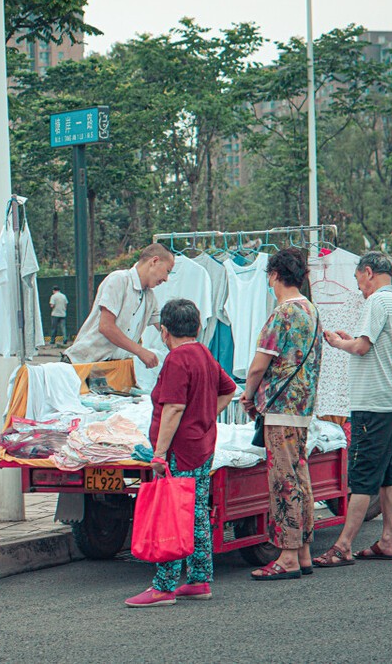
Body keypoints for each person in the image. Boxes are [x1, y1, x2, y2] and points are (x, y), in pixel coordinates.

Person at [126, 299, 236, 607]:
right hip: (202, 445)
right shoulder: (203, 353)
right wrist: (204, 417)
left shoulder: (177, 359)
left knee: (173, 512)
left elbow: (173, 407)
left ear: (164, 331)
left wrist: (159, 453)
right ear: (198, 327)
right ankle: (199, 580)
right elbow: (228, 390)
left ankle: (164, 586)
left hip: (180, 450)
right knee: (196, 512)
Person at [315, 251, 392, 567]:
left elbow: (361, 347)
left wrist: (338, 343)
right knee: (389, 475)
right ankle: (389, 539)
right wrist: (350, 339)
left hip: (372, 403)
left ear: (368, 272)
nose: (359, 287)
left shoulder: (377, 303)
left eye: (359, 279)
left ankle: (343, 545)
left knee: (363, 476)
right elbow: (369, 344)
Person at [240, 248, 322, 580]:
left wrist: (248, 396)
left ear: (275, 275)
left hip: (280, 407)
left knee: (282, 481)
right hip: (303, 407)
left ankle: (287, 555)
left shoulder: (283, 313)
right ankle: (302, 550)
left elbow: (260, 364)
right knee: (300, 476)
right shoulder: (311, 310)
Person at [64, 244, 174, 367]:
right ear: (154, 261)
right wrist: (140, 351)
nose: (166, 279)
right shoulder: (119, 280)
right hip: (83, 365)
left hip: (111, 369)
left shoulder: (150, 297)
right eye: (167, 271)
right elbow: (106, 326)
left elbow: (164, 328)